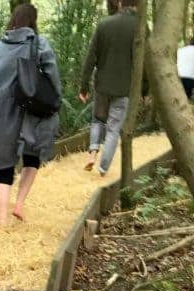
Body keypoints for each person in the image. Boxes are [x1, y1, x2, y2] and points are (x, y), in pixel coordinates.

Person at [0, 4, 62, 227]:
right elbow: (52, 78)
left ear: (12, 21)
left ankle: (2, 222)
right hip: (31, 112)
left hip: (3, 116)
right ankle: (19, 204)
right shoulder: (40, 45)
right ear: (33, 21)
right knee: (33, 157)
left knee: (5, 166)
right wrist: (56, 101)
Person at [80, 0, 137, 175]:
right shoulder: (139, 27)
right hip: (123, 89)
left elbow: (90, 57)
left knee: (98, 120)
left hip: (102, 86)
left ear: (120, 3)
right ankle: (103, 169)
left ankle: (92, 153)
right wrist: (144, 89)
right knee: (113, 129)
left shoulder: (104, 24)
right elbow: (143, 61)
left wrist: (84, 87)